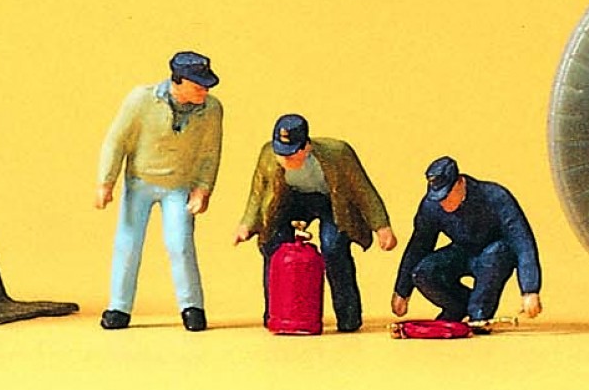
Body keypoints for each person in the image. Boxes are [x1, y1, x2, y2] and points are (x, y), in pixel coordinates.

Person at [232, 113, 396, 333]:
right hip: (290, 200)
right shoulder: (268, 155)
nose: (285, 160)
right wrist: (246, 224)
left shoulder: (337, 154)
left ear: (306, 147)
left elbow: (363, 191)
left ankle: (348, 315)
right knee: (273, 245)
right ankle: (276, 313)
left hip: (331, 202)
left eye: (291, 154)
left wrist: (382, 227)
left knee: (334, 247)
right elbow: (258, 192)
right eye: (281, 153)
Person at [95, 50, 223, 331]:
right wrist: (106, 181)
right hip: (139, 183)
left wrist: (203, 189)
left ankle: (192, 306)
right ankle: (119, 307)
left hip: (178, 186)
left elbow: (210, 153)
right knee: (128, 244)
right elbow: (116, 141)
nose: (205, 91)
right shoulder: (141, 100)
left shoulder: (211, 109)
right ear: (178, 81)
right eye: (198, 85)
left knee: (181, 244)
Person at [392, 157, 544, 329]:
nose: (443, 203)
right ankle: (457, 306)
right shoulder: (432, 206)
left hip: (495, 254)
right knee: (423, 272)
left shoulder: (495, 196)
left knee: (494, 256)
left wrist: (529, 289)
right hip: (462, 251)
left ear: (460, 183)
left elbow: (523, 243)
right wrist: (402, 291)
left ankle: (478, 312)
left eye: (446, 195)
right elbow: (418, 246)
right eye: (438, 197)